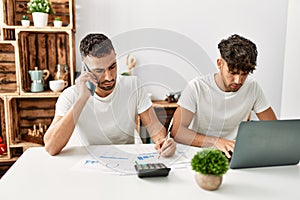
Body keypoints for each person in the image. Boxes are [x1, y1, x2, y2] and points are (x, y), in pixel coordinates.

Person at [44, 33, 176, 157]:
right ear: (86, 69)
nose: (109, 77)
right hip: (89, 161)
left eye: (112, 66)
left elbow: (155, 130)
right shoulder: (70, 95)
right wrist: (82, 99)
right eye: (99, 71)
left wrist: (163, 142)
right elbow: (51, 147)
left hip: (126, 159)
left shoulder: (133, 85)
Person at [171, 34, 277, 158]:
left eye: (244, 74)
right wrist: (215, 141)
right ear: (220, 63)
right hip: (200, 154)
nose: (238, 80)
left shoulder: (252, 87)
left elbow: (274, 128)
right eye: (233, 73)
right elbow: (177, 132)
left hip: (234, 155)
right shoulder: (197, 87)